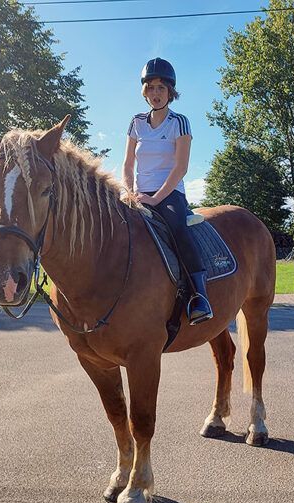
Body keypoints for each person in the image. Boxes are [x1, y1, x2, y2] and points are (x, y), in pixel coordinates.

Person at [122, 57, 213, 325]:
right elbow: (128, 164)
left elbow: (180, 168)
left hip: (169, 193)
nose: (155, 93)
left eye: (161, 87)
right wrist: (129, 192)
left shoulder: (179, 122)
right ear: (144, 92)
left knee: (177, 228)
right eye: (150, 88)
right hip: (138, 193)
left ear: (170, 91)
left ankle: (199, 295)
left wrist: (156, 198)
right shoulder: (136, 122)